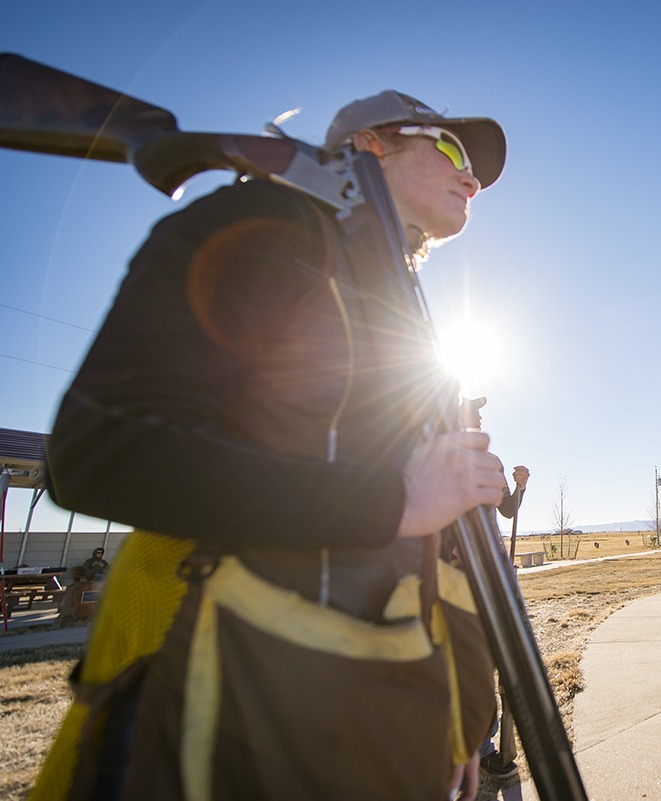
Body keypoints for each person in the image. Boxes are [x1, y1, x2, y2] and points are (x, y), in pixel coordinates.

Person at [32, 88, 509, 801]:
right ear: (368, 146)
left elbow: (437, 554)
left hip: (366, 706)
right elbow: (99, 451)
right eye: (448, 148)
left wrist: (464, 713)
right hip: (207, 697)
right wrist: (395, 499)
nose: (472, 177)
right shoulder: (263, 222)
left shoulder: (401, 311)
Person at [463, 396, 528, 783]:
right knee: (470, 661)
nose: (481, 414)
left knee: (497, 656)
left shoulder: (492, 460)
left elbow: (506, 508)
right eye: (473, 408)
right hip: (459, 574)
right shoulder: (438, 457)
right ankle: (475, 751)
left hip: (496, 571)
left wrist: (519, 487)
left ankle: (491, 748)